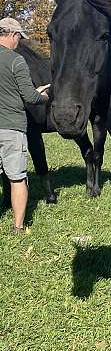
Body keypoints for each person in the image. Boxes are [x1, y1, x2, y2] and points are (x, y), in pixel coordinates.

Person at [0, 18, 50, 231]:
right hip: (11, 127)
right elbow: (29, 97)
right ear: (12, 34)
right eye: (19, 37)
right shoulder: (16, 60)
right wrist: (43, 95)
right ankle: (18, 226)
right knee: (17, 177)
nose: (19, 42)